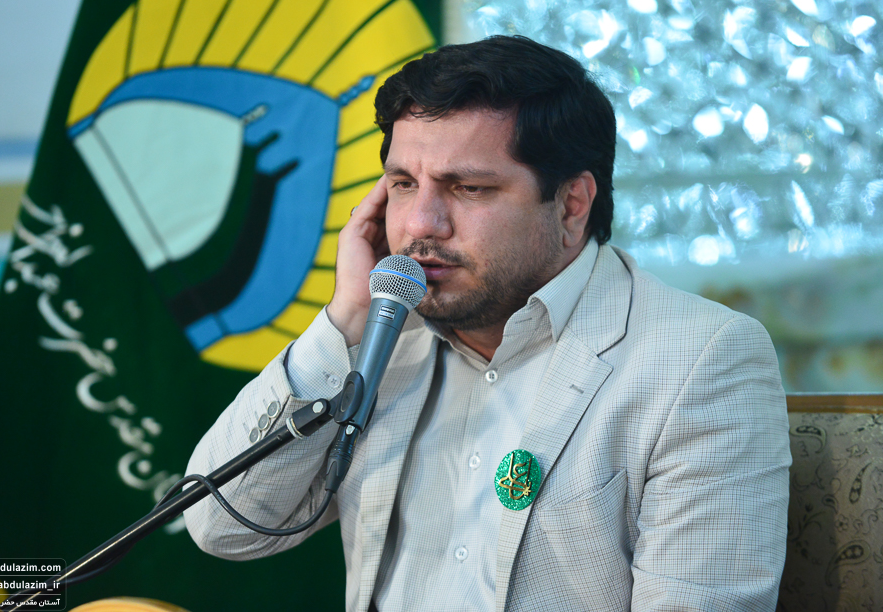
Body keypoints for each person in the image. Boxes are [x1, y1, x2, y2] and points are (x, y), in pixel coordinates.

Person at [184, 35, 791, 611]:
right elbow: (221, 524)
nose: (420, 224)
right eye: (403, 184)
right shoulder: (380, 341)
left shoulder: (701, 360)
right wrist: (346, 321)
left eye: (468, 188)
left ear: (571, 206)